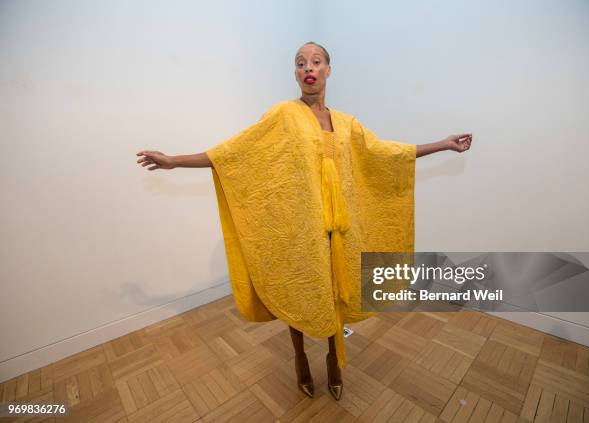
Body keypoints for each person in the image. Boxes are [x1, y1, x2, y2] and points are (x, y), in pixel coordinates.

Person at [136, 41, 472, 401]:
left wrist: (442, 144)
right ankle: (299, 356)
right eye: (300, 63)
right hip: (299, 229)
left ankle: (333, 359)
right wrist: (174, 161)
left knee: (334, 293)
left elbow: (387, 153)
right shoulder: (282, 115)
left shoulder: (346, 123)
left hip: (338, 230)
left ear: (328, 69)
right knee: (299, 290)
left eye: (315, 61)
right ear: (295, 72)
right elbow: (233, 152)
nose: (308, 68)